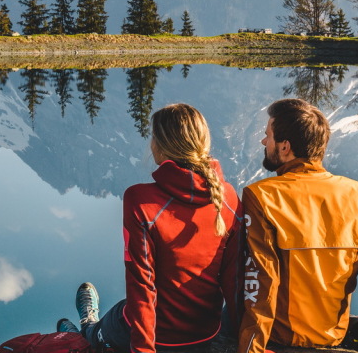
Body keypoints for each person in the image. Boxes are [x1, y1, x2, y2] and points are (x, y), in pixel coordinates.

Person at [59, 103, 241, 353]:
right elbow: (233, 278)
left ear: (161, 145)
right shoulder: (229, 197)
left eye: (153, 136)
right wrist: (242, 338)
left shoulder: (141, 201)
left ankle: (85, 327)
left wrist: (144, 350)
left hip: (158, 336)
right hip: (206, 332)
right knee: (124, 311)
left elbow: (142, 287)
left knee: (99, 333)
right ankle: (90, 326)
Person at [237, 98, 358, 353]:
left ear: (285, 147)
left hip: (282, 340)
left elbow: (260, 282)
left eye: (268, 136)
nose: (264, 142)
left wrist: (250, 350)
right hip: (334, 338)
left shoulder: (262, 196)